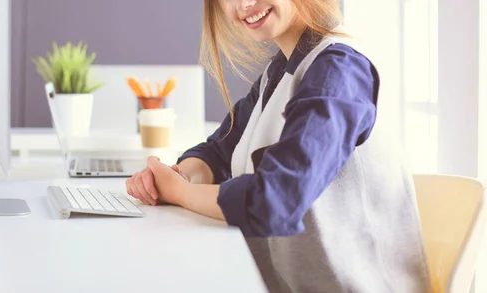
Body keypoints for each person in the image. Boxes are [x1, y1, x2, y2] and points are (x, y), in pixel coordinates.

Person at [125, 0, 431, 292]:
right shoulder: (279, 72)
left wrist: (179, 192)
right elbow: (219, 151)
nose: (244, 5)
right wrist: (177, 175)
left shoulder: (339, 71)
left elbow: (275, 201)